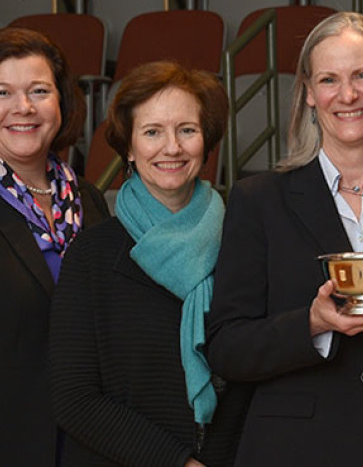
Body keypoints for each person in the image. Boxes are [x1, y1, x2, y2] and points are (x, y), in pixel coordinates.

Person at [205, 12, 363, 466]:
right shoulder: (258, 200)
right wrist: (312, 324)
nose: (347, 95)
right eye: (329, 79)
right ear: (309, 92)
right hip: (293, 451)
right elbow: (227, 349)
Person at [49, 61, 251, 467]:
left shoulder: (245, 244)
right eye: (152, 132)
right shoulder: (91, 256)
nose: (171, 148)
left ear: (206, 141)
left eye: (187, 130)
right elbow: (74, 398)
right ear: (129, 147)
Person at [0, 28, 110, 466]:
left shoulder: (88, 199)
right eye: (3, 92)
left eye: (39, 91)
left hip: (92, 442)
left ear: (61, 101)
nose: (23, 107)